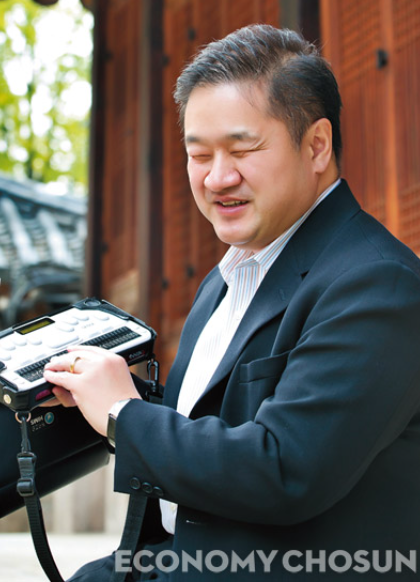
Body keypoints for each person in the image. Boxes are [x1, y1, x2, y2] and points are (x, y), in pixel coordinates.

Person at [43, 24, 420, 581]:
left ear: (317, 145)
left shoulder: (379, 283)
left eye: (243, 150)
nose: (218, 178)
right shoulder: (229, 275)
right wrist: (101, 393)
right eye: (199, 155)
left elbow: (285, 469)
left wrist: (124, 413)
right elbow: (219, 418)